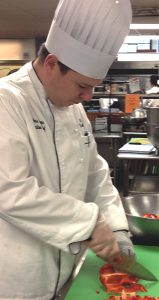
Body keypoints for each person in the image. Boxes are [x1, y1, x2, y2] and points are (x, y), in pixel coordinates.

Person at [0, 0, 134, 299]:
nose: (87, 97)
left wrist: (117, 228)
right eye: (81, 86)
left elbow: (95, 173)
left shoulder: (72, 108)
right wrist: (89, 224)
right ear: (51, 64)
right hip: (20, 278)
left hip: (69, 272)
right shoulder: (6, 102)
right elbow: (9, 192)